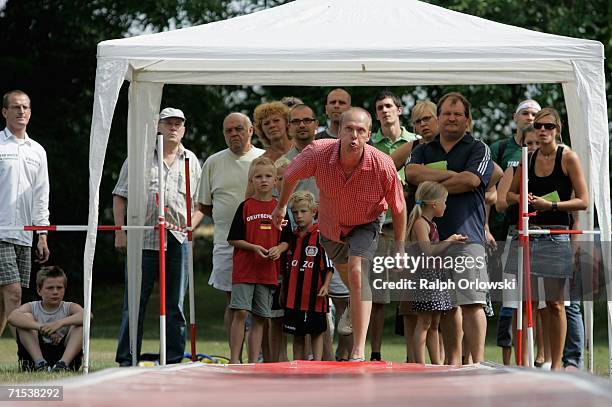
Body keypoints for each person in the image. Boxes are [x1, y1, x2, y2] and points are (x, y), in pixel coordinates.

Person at [272, 107, 406, 361]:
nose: (354, 136)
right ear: (339, 131)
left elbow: (399, 208)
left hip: (366, 221)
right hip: (332, 225)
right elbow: (289, 176)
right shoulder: (317, 152)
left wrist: (399, 247)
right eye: (349, 129)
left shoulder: (382, 164)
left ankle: (357, 350)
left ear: (368, 135)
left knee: (357, 271)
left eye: (360, 131)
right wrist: (280, 207)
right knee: (351, 278)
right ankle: (355, 303)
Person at [406, 92, 493, 364]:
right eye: (446, 113)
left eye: (457, 114)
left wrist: (430, 186)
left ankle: (477, 363)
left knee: (472, 302)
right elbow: (411, 175)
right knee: (446, 307)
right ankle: (452, 365)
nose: (451, 118)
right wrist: (454, 176)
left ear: (468, 120)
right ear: (438, 117)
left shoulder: (479, 148)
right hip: (432, 242)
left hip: (468, 239)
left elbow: (471, 180)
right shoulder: (421, 149)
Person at [114, 107, 201, 366]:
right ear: (158, 127)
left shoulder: (191, 161)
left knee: (176, 305)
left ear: (184, 129)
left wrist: (190, 228)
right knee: (134, 304)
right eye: (168, 123)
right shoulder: (138, 157)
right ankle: (126, 359)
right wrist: (120, 232)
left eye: (178, 123)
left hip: (178, 241)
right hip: (143, 239)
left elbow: (200, 204)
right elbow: (120, 195)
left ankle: (173, 359)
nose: (173, 127)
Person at [506, 107, 588, 370]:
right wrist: (525, 199)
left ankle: (556, 365)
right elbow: (509, 195)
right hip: (530, 235)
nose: (542, 130)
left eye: (548, 126)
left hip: (556, 235)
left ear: (557, 129)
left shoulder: (568, 157)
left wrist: (549, 206)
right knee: (527, 302)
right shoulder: (527, 158)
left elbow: (584, 201)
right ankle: (528, 363)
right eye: (539, 126)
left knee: (555, 304)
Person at [196, 112, 264, 352]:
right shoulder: (213, 162)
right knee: (234, 303)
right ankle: (236, 357)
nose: (234, 134)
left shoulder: (265, 159)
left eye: (238, 129)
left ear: (251, 130)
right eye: (228, 130)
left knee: (260, 303)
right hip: (226, 242)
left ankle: (258, 358)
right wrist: (231, 222)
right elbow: (204, 204)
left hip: (263, 242)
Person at [488, 100, 541, 366]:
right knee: (509, 299)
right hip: (506, 233)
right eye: (525, 113)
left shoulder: (556, 159)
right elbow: (495, 198)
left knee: (540, 300)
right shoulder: (501, 150)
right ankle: (508, 359)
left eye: (534, 113)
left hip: (543, 235)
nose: (529, 117)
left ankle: (541, 358)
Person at [369, 91, 418, 361]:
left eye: (389, 106)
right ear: (376, 114)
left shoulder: (415, 141)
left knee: (409, 294)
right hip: (380, 225)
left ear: (399, 110)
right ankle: (375, 353)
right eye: (380, 107)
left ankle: (413, 354)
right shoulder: (370, 144)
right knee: (378, 295)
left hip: (411, 225)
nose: (385, 111)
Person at [227, 157, 288, 364]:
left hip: (267, 271)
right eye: (258, 176)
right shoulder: (245, 207)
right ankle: (235, 359)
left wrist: (279, 248)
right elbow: (233, 238)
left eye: (268, 176)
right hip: (245, 270)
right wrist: (254, 247)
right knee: (241, 312)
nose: (264, 180)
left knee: (261, 317)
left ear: (275, 181)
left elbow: (287, 240)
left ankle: (253, 362)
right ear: (251, 180)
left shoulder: (280, 208)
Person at [1, 90, 50, 338]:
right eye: (16, 107)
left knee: (4, 302)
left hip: (24, 234)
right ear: (4, 112)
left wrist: (42, 234)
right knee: (13, 294)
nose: (21, 111)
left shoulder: (38, 151)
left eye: (26, 107)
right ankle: (29, 356)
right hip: (0, 232)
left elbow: (41, 196)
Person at [406, 182, 466, 363]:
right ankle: (419, 362)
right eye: (444, 202)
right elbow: (428, 251)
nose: (445, 206)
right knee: (424, 322)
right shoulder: (420, 224)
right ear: (434, 204)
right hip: (426, 278)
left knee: (434, 324)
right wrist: (450, 240)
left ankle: (436, 363)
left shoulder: (432, 224)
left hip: (436, 277)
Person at [281, 191, 333, 361]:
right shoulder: (291, 238)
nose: (299, 216)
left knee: (316, 331)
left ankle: (316, 362)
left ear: (313, 212)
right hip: (293, 296)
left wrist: (326, 285)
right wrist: (283, 290)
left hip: (315, 295)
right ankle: (298, 363)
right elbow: (286, 268)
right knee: (297, 334)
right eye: (295, 212)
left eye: (303, 211)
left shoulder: (320, 235)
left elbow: (328, 265)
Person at [9, 266, 83, 372]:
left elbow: (88, 316)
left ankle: (62, 365)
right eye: (50, 288)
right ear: (39, 291)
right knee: (25, 318)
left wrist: (59, 323)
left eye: (59, 288)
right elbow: (12, 317)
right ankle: (40, 364)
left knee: (80, 324)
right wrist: (43, 328)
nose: (55, 292)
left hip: (65, 354)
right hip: (35, 357)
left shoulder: (69, 307)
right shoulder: (32, 306)